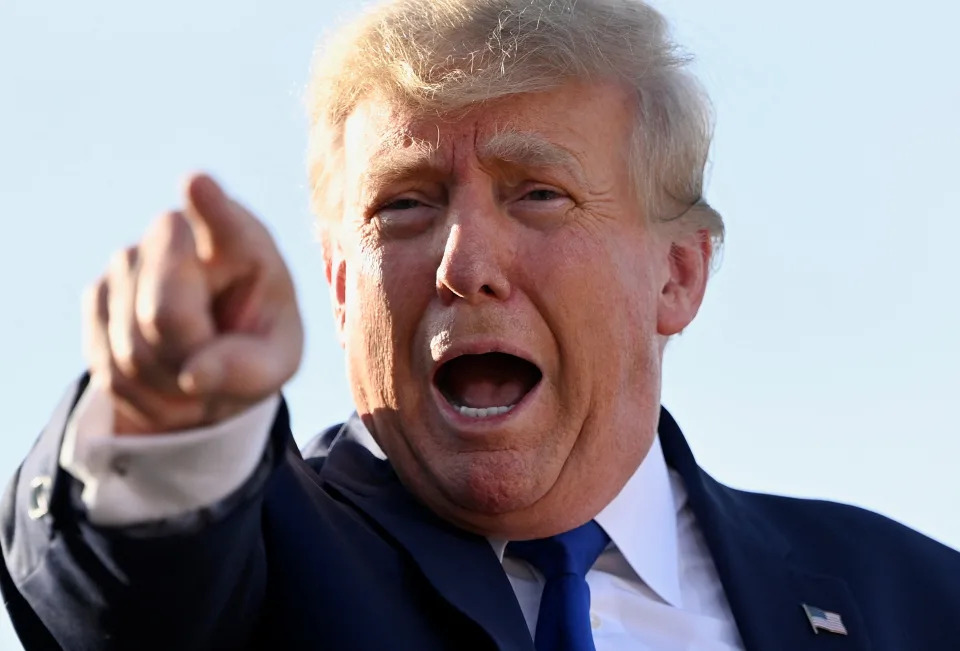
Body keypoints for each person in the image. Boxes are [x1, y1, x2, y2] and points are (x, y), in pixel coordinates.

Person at [2, 0, 958, 648]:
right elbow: (125, 595)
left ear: (679, 274)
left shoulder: (913, 601)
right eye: (405, 206)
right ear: (340, 284)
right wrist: (168, 420)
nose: (464, 264)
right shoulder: (252, 562)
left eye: (538, 193)